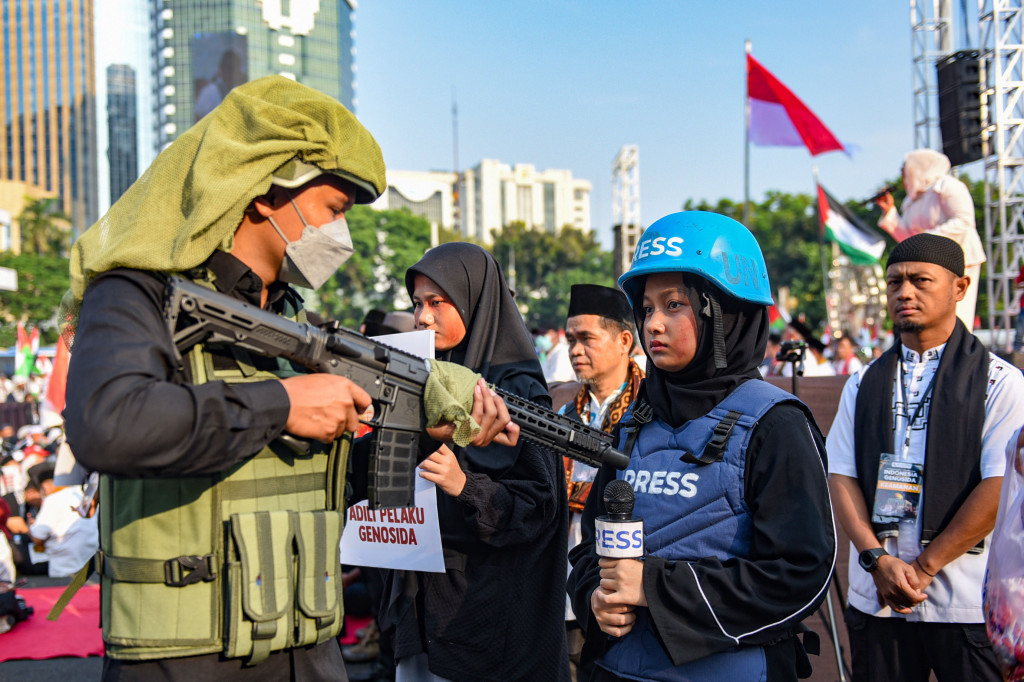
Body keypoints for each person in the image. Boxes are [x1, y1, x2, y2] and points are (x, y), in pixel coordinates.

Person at [62, 77, 515, 680]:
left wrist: (420, 433)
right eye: (333, 209)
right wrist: (280, 402)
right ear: (264, 193)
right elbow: (106, 426)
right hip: (184, 655)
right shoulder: (137, 293)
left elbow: (315, 480)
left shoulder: (293, 320)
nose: (341, 237)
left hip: (308, 646)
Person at [568, 211, 835, 681]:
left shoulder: (775, 424)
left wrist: (654, 587)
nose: (653, 324)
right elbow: (590, 546)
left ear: (723, 311)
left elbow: (800, 574)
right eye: (647, 307)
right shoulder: (634, 421)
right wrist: (593, 597)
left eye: (674, 304)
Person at [828, 233, 1024, 681]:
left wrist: (921, 568)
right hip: (877, 597)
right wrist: (877, 560)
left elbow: (997, 486)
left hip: (966, 598)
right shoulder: (863, 382)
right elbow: (841, 475)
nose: (905, 293)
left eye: (920, 280)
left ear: (959, 287)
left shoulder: (1000, 382)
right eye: (894, 282)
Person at [384, 241, 570, 681]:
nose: (422, 317)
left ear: (474, 301)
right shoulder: (424, 375)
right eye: (417, 304)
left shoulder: (517, 390)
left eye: (437, 302)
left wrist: (464, 485)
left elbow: (538, 506)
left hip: (487, 611)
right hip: (425, 598)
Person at [557, 283, 645, 682]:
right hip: (569, 585)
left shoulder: (651, 412)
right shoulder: (564, 414)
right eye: (571, 339)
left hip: (629, 594)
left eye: (587, 338)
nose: (576, 350)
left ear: (625, 340)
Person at [875, 149, 985, 330]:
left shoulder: (948, 186)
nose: (902, 175)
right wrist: (889, 211)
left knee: (955, 312)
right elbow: (910, 240)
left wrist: (927, 239)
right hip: (926, 266)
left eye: (905, 169)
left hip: (957, 259)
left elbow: (964, 222)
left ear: (918, 168)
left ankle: (956, 353)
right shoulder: (912, 201)